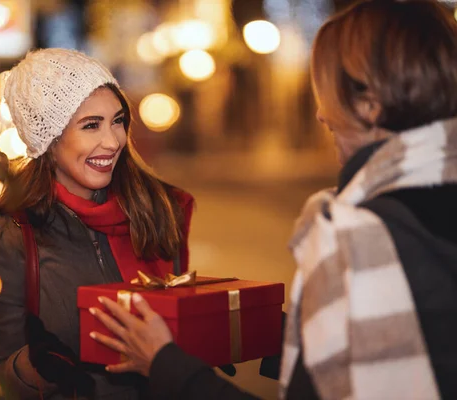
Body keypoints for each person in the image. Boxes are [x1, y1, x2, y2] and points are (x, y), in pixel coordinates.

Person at [89, 1, 457, 399]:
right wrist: (267, 328)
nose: (320, 114)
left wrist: (164, 363)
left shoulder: (361, 234)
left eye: (327, 88)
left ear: (370, 103)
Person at [0, 49, 194, 400]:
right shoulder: (9, 237)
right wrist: (34, 367)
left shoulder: (157, 212)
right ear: (49, 141)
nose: (113, 140)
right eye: (91, 125)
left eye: (117, 121)